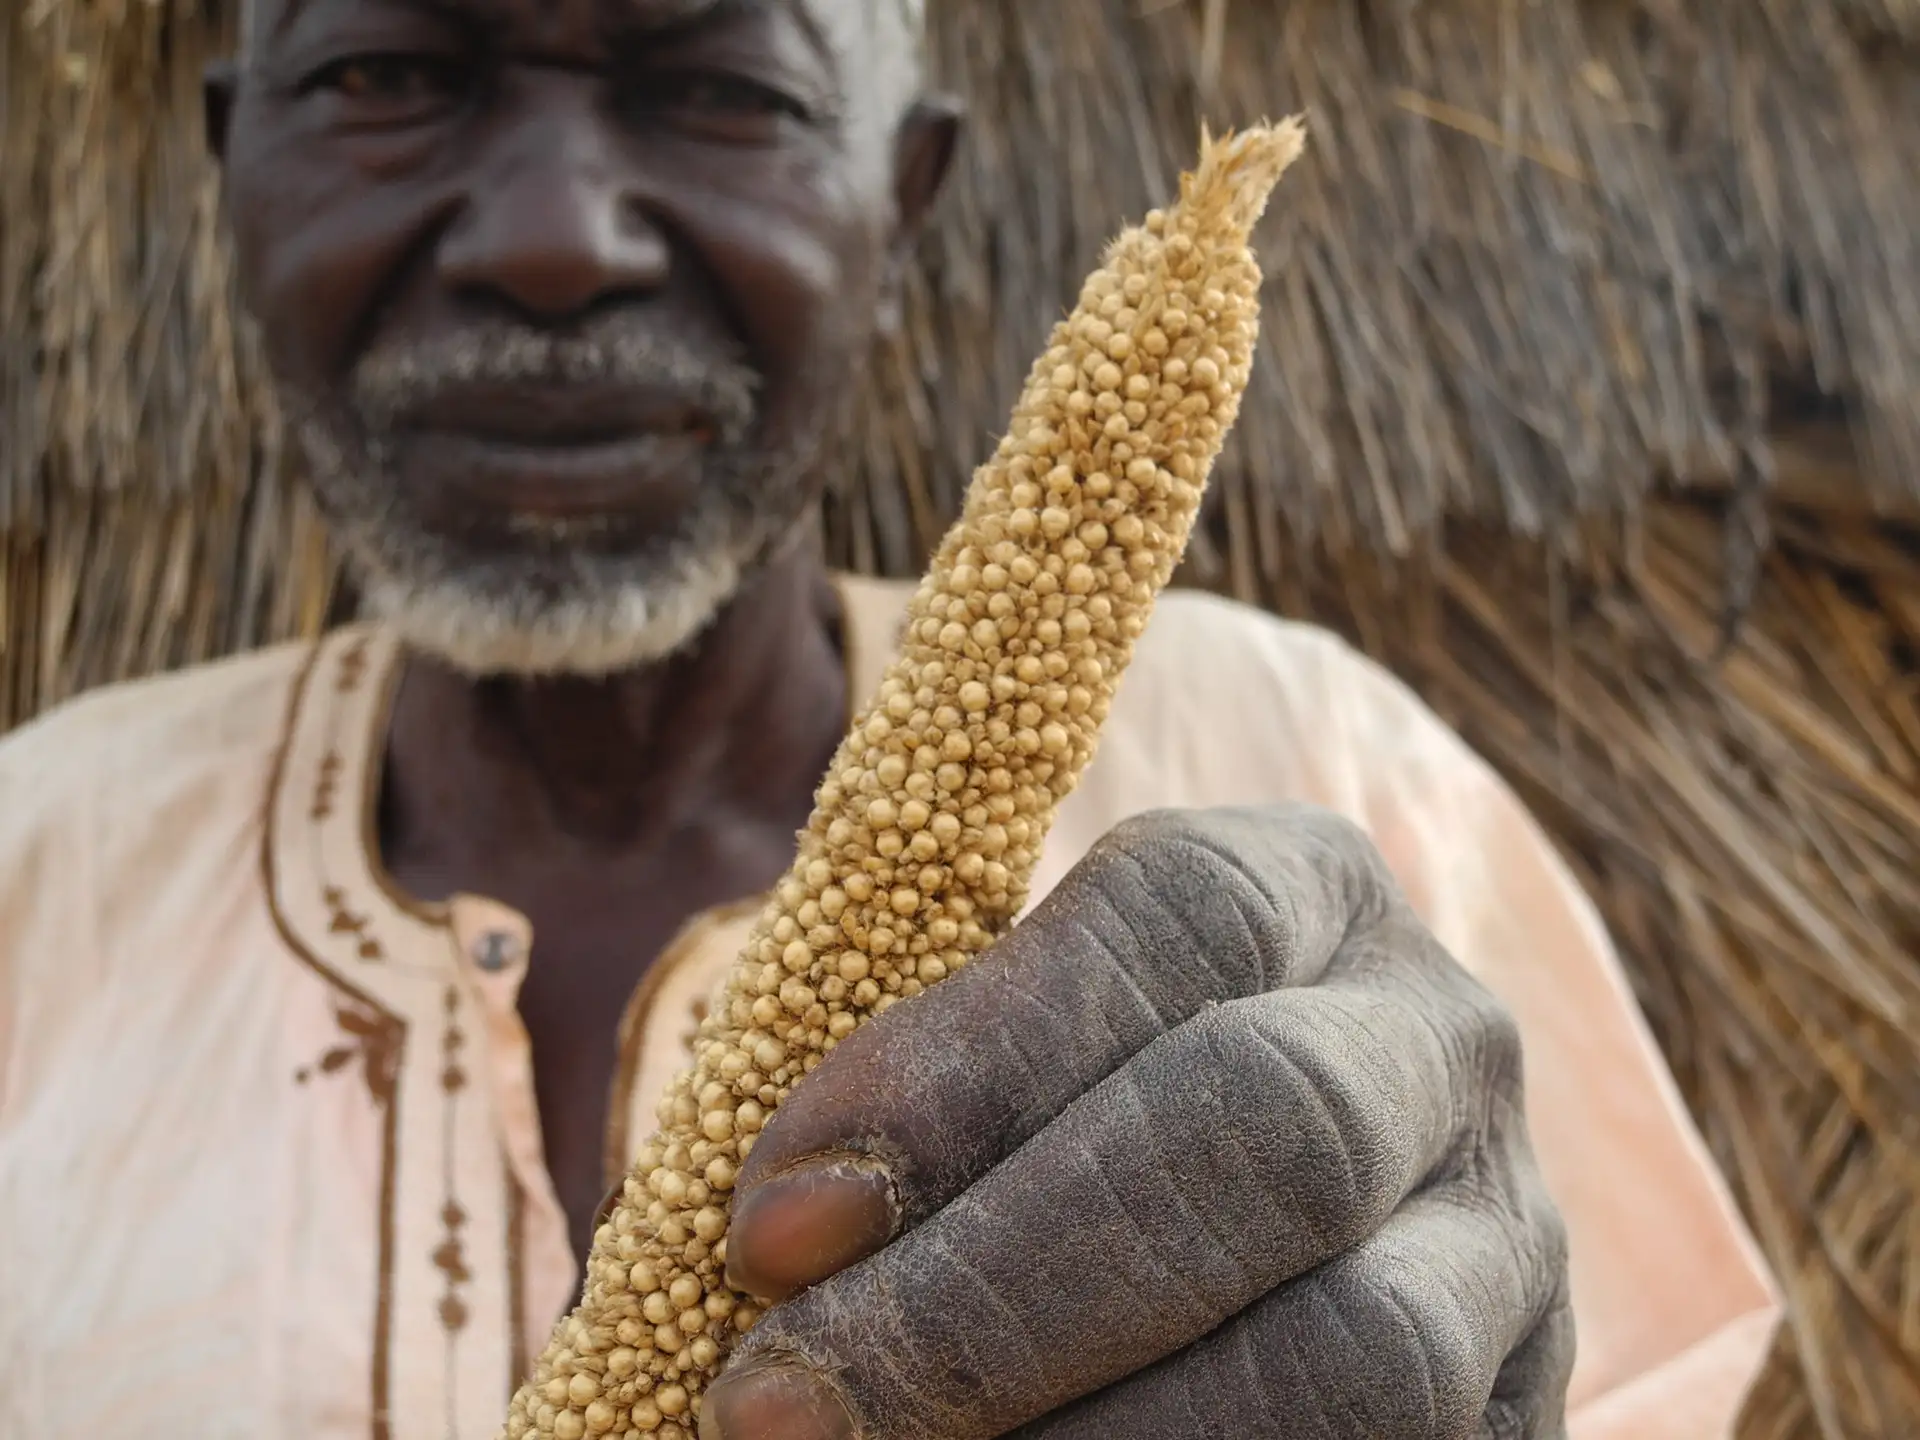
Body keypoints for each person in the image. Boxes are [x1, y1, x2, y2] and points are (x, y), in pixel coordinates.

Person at [0, 0, 1779, 1436]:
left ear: (904, 192)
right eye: (390, 73)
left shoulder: (1326, 760)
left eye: (716, 83)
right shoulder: (36, 868)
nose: (553, 241)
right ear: (235, 162)